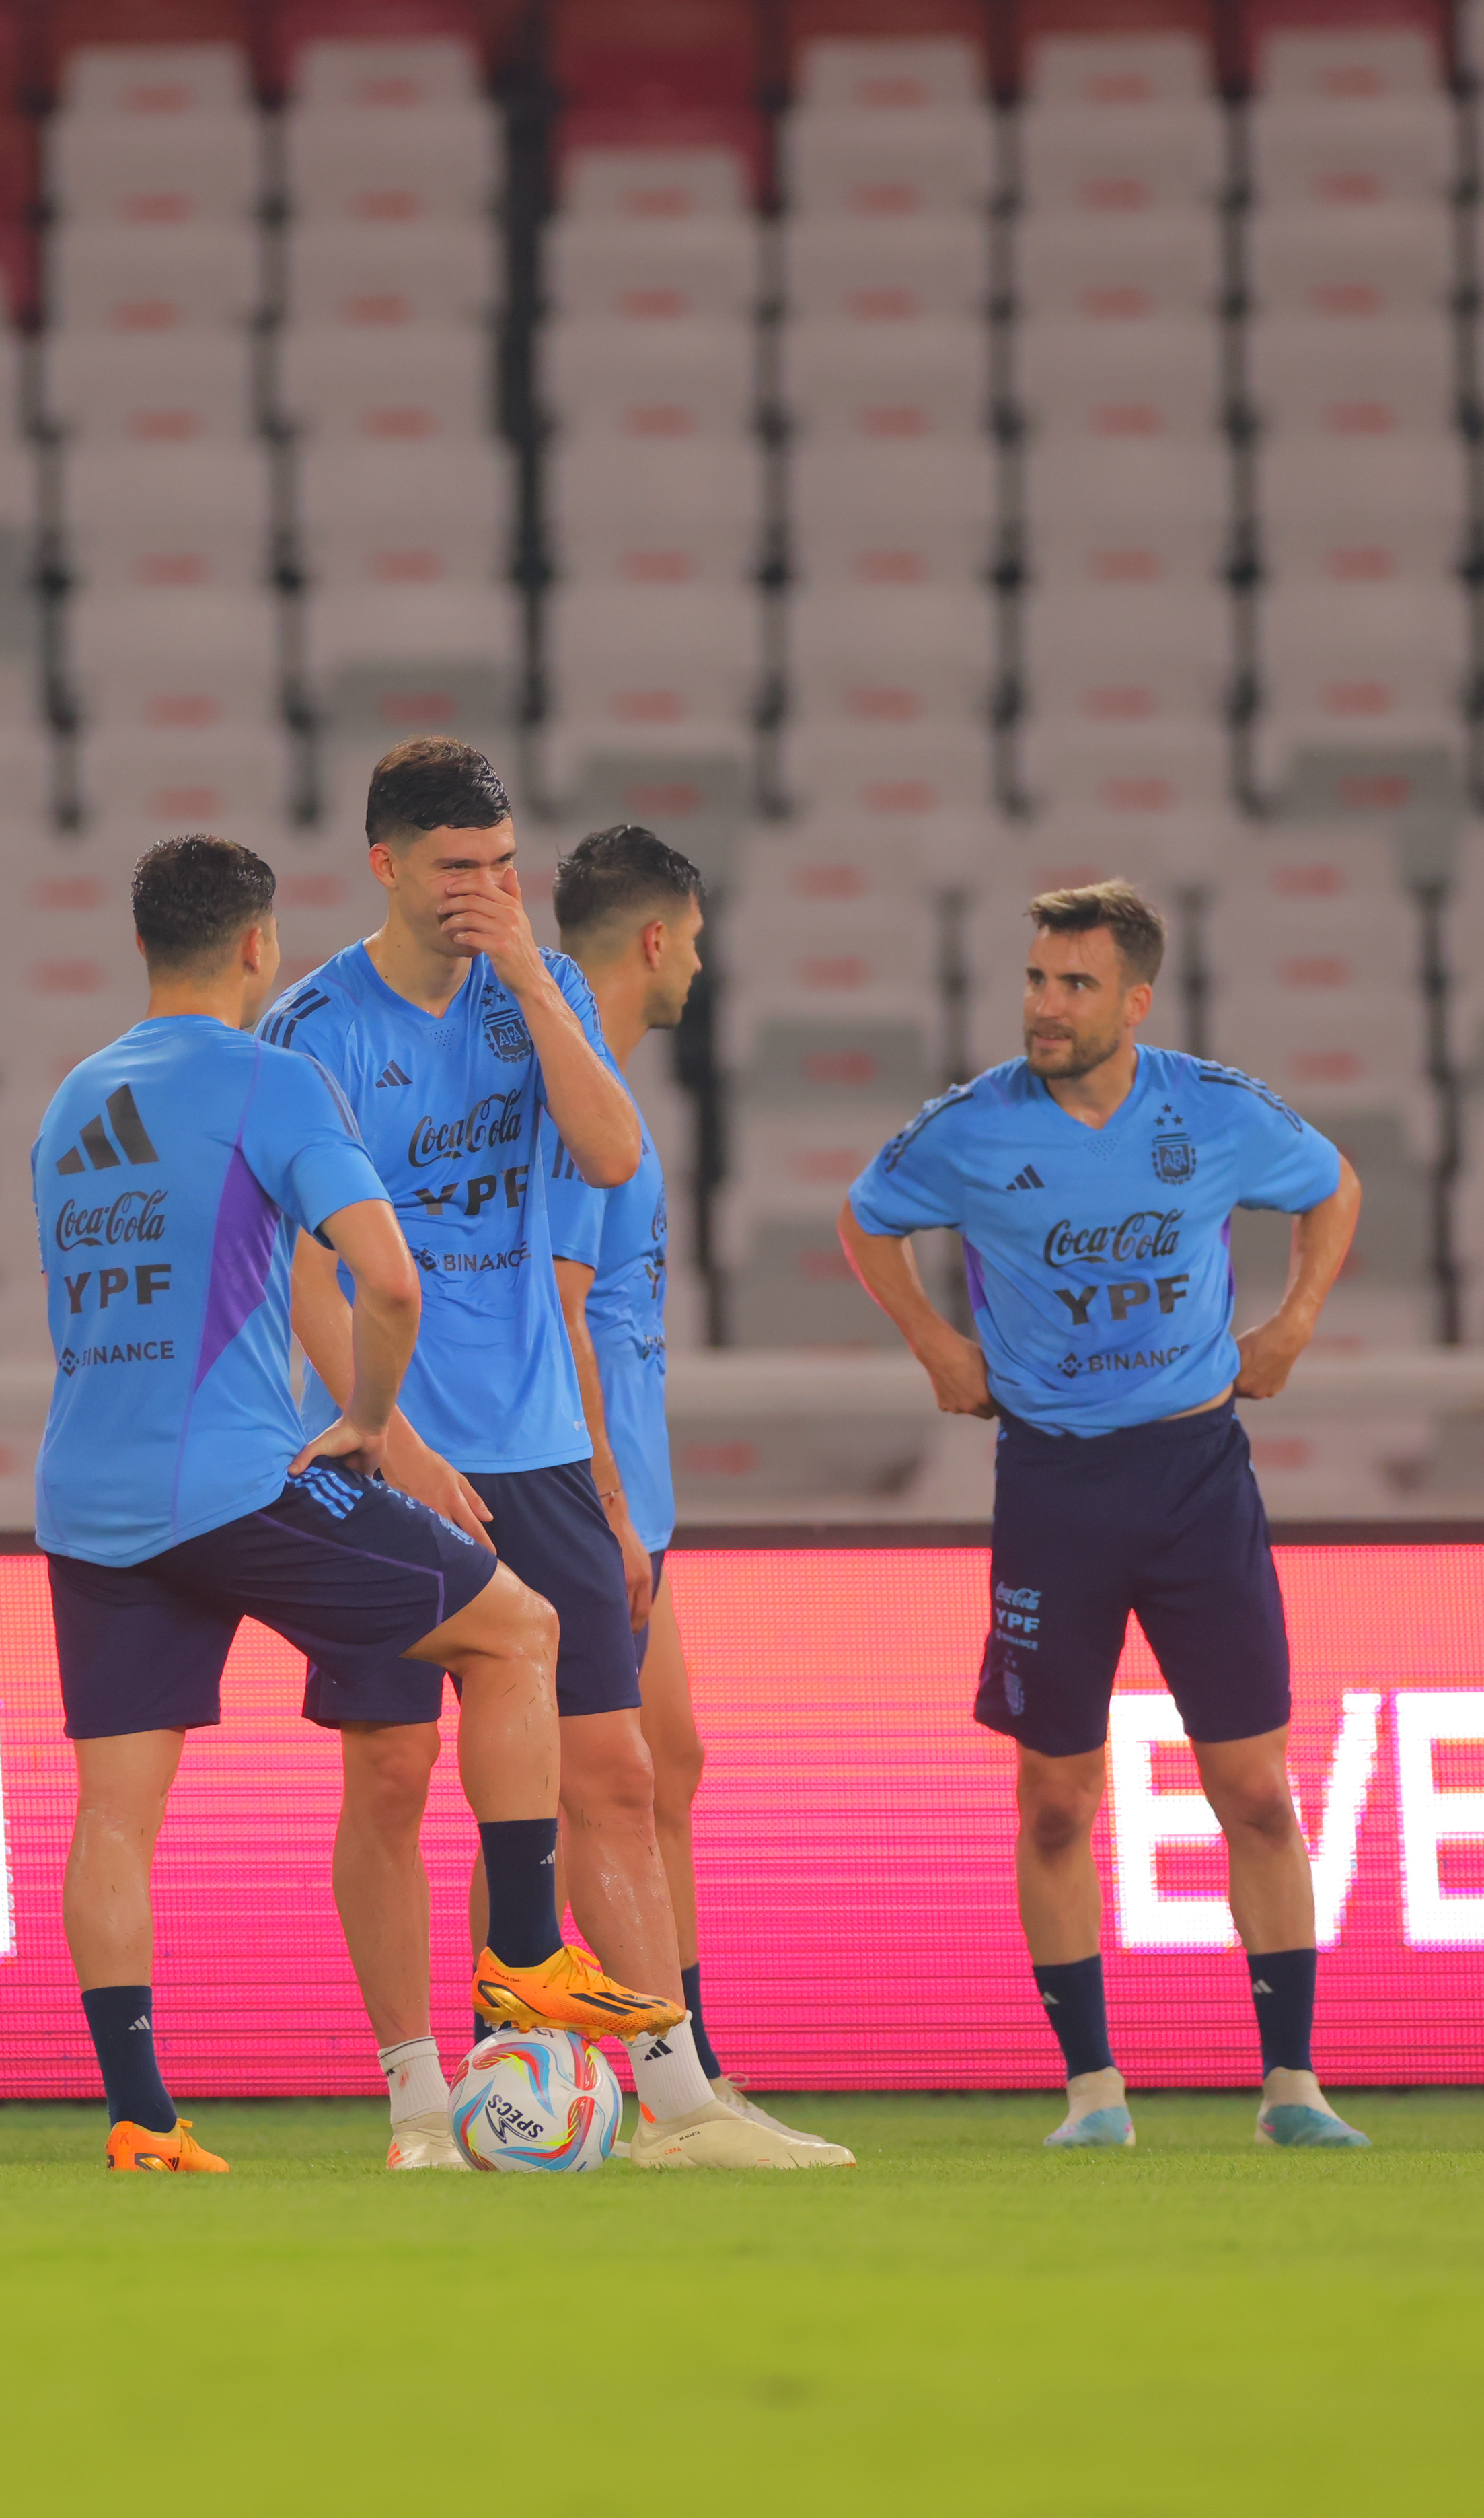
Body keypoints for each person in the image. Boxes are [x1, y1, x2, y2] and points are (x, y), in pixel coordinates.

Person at [38, 834, 681, 2174]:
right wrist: (376, 1421)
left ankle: (141, 2117)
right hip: (236, 1483)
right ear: (257, 944)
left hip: (89, 1498)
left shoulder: (71, 1102)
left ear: (143, 945)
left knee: (114, 1819)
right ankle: (524, 1957)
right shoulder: (273, 1078)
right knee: (519, 1632)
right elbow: (385, 1277)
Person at [263, 741, 826, 2170]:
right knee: (393, 1777)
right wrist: (389, 1434)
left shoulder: (544, 988)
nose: (485, 889)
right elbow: (305, 1274)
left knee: (616, 1777)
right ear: (386, 865)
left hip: (541, 1449)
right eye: (457, 868)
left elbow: (615, 1153)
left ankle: (679, 2103)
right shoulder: (316, 1028)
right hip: (385, 1450)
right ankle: (417, 2102)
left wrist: (526, 973)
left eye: (504, 867)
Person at [834, 878, 1370, 2151]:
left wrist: (1293, 1323)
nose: (1046, 1005)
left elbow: (1334, 1184)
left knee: (1254, 1788)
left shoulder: (1213, 1110)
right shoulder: (971, 1128)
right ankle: (1093, 2094)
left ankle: (1292, 2089)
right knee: (1057, 1801)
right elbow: (865, 1219)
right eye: (1036, 979)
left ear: (1136, 1002)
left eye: (1075, 984)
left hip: (1197, 1478)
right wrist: (934, 1345)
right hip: (1054, 1485)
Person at [541, 824, 850, 2164]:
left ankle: (695, 2074)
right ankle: (623, 2079)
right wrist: (605, 1501)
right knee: (580, 1786)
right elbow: (557, 1312)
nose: (704, 966)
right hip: (586, 1492)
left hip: (632, 1499)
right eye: (699, 940)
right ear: (657, 939)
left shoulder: (597, 1080)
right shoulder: (576, 1101)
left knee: (669, 1763)